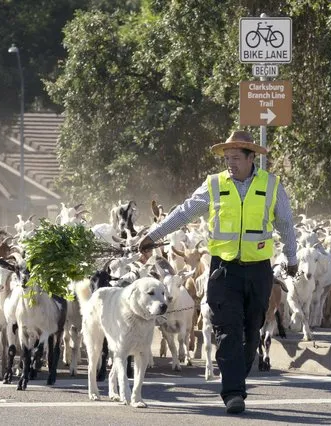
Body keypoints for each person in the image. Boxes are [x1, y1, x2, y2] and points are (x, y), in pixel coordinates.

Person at [138, 130, 298, 414]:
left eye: (236, 157)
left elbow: (285, 224)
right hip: (224, 271)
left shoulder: (272, 185)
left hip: (259, 270)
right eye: (227, 158)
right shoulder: (214, 185)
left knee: (252, 329)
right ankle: (233, 392)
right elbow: (184, 212)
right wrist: (153, 235)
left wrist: (292, 257)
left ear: (252, 158)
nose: (230, 163)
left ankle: (241, 367)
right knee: (227, 329)